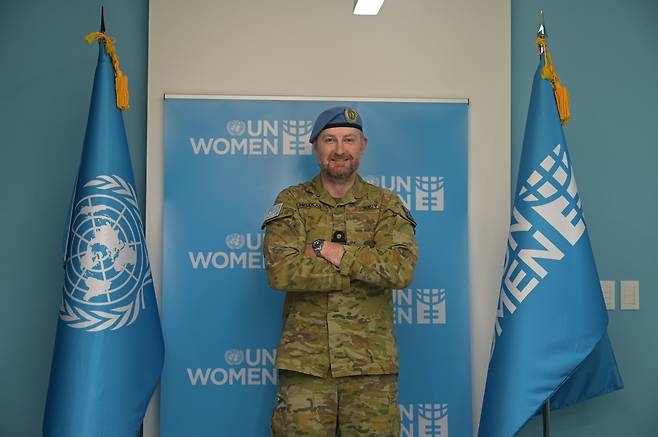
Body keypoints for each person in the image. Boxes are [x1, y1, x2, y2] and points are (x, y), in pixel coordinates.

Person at [262, 107, 417, 437]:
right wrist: (362, 267)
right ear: (315, 146)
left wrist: (328, 250)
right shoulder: (290, 202)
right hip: (306, 369)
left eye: (349, 139)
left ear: (363, 145)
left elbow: (400, 270)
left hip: (369, 369)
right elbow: (281, 270)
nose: (340, 149)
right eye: (329, 140)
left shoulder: (386, 205)